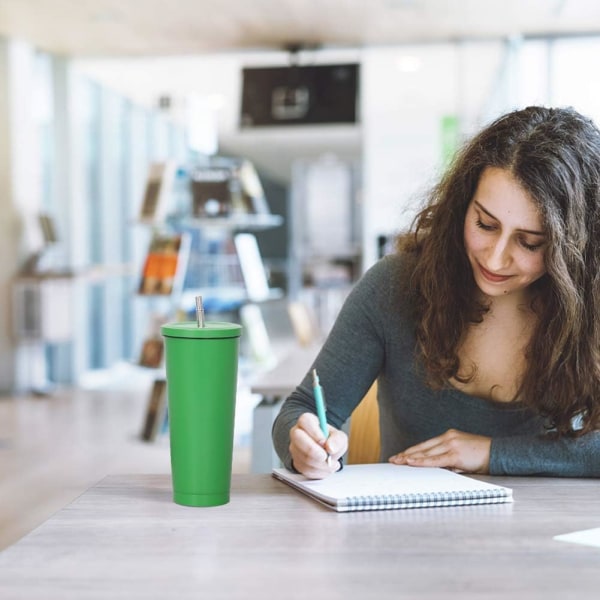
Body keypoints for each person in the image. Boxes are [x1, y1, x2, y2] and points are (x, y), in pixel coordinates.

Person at [272, 105, 600, 480]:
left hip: (547, 534)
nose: (495, 258)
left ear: (576, 250)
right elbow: (300, 410)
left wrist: (488, 453)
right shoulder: (395, 288)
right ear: (462, 206)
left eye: (529, 243)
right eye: (485, 224)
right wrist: (305, 447)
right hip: (414, 530)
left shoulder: (591, 307)